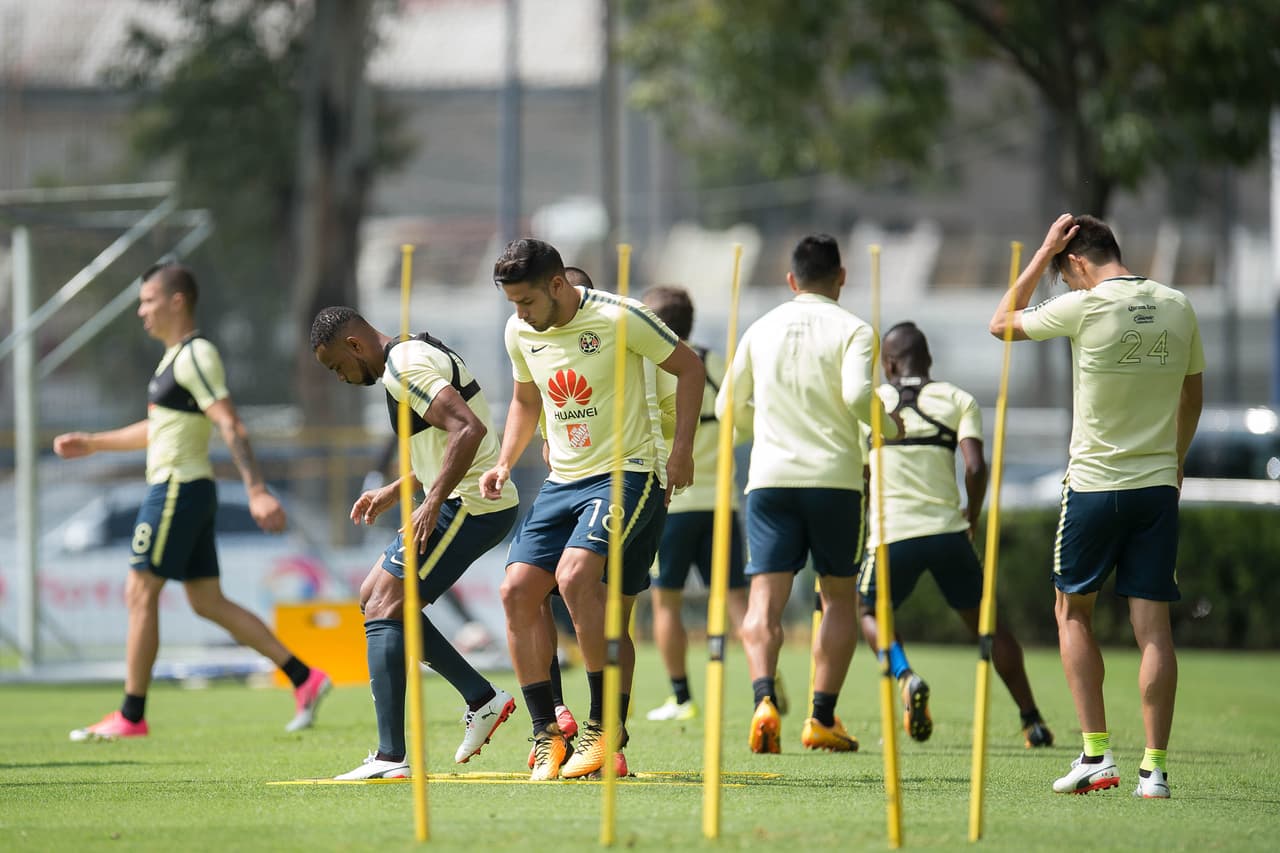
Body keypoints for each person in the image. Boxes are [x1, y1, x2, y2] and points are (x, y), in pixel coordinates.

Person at [54, 263, 331, 741]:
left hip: (176, 489)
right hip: (188, 489)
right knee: (207, 601)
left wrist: (257, 490)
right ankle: (304, 676)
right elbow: (158, 428)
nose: (141, 310)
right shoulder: (171, 361)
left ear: (176, 300)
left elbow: (230, 422)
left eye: (148, 300)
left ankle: (131, 715)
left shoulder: (196, 354)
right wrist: (95, 442)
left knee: (140, 591)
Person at [989, 213, 1203, 799]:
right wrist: (1175, 458)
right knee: (1153, 629)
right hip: (1158, 488)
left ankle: (1096, 756)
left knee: (1072, 612)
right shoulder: (1178, 304)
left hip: (1092, 486)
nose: (1067, 284)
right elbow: (1193, 393)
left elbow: (999, 322)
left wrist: (1038, 255)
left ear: (1076, 260)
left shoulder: (1085, 306)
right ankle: (1153, 771)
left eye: (1064, 273)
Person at [481, 238, 705, 781]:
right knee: (516, 590)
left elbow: (691, 369)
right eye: (512, 305)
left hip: (629, 471)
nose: (520, 315)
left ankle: (604, 731)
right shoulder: (519, 331)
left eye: (527, 302)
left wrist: (680, 453)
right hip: (564, 480)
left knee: (577, 577)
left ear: (558, 285)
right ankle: (545, 737)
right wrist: (505, 461)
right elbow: (526, 400)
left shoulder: (623, 317)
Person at [310, 306, 520, 779]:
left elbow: (469, 428)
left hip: (471, 504)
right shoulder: (408, 356)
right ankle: (482, 698)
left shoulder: (403, 367)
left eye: (337, 366)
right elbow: (449, 439)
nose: (341, 378)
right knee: (375, 600)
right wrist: (398, 490)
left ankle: (390, 758)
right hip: (459, 499)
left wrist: (432, 500)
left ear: (355, 345)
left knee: (384, 605)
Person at [718, 234, 897, 754]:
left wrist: (758, 431)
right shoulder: (856, 328)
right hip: (834, 481)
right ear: (842, 277)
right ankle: (820, 717)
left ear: (791, 280)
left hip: (770, 480)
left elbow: (730, 404)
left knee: (763, 602)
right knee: (838, 597)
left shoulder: (760, 327)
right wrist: (888, 426)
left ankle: (763, 700)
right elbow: (859, 396)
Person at [857, 321, 1053, 747]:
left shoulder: (872, 403)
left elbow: (863, 473)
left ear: (888, 363)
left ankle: (905, 675)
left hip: (892, 537)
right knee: (988, 627)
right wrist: (973, 517)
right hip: (948, 533)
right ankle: (1032, 720)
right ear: (928, 360)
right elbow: (976, 467)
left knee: (870, 613)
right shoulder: (957, 398)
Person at [638, 285, 748, 722]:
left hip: (671, 505)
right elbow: (743, 423)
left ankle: (682, 698)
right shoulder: (719, 364)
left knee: (667, 602)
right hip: (723, 503)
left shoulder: (652, 367)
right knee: (739, 602)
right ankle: (765, 693)